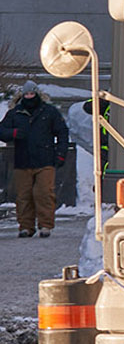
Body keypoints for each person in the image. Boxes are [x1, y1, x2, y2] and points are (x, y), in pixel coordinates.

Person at [0, 84, 72, 238]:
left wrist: (60, 154)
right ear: (22, 95)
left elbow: (62, 133)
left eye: (32, 93)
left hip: (45, 160)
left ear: (37, 94)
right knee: (23, 196)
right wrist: (13, 133)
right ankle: (25, 226)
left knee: (44, 193)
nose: (29, 97)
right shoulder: (15, 113)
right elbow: (2, 131)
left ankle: (45, 225)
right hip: (22, 161)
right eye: (27, 94)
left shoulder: (49, 112)